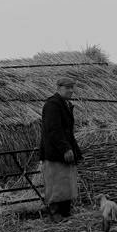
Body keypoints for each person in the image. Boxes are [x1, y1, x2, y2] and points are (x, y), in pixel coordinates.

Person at [39, 77, 83, 221]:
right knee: (56, 181)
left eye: (72, 87)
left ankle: (65, 212)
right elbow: (54, 130)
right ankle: (55, 213)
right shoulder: (52, 105)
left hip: (64, 150)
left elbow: (67, 131)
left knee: (66, 181)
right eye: (67, 88)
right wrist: (65, 148)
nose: (71, 90)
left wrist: (73, 148)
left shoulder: (65, 104)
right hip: (55, 152)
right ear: (58, 88)